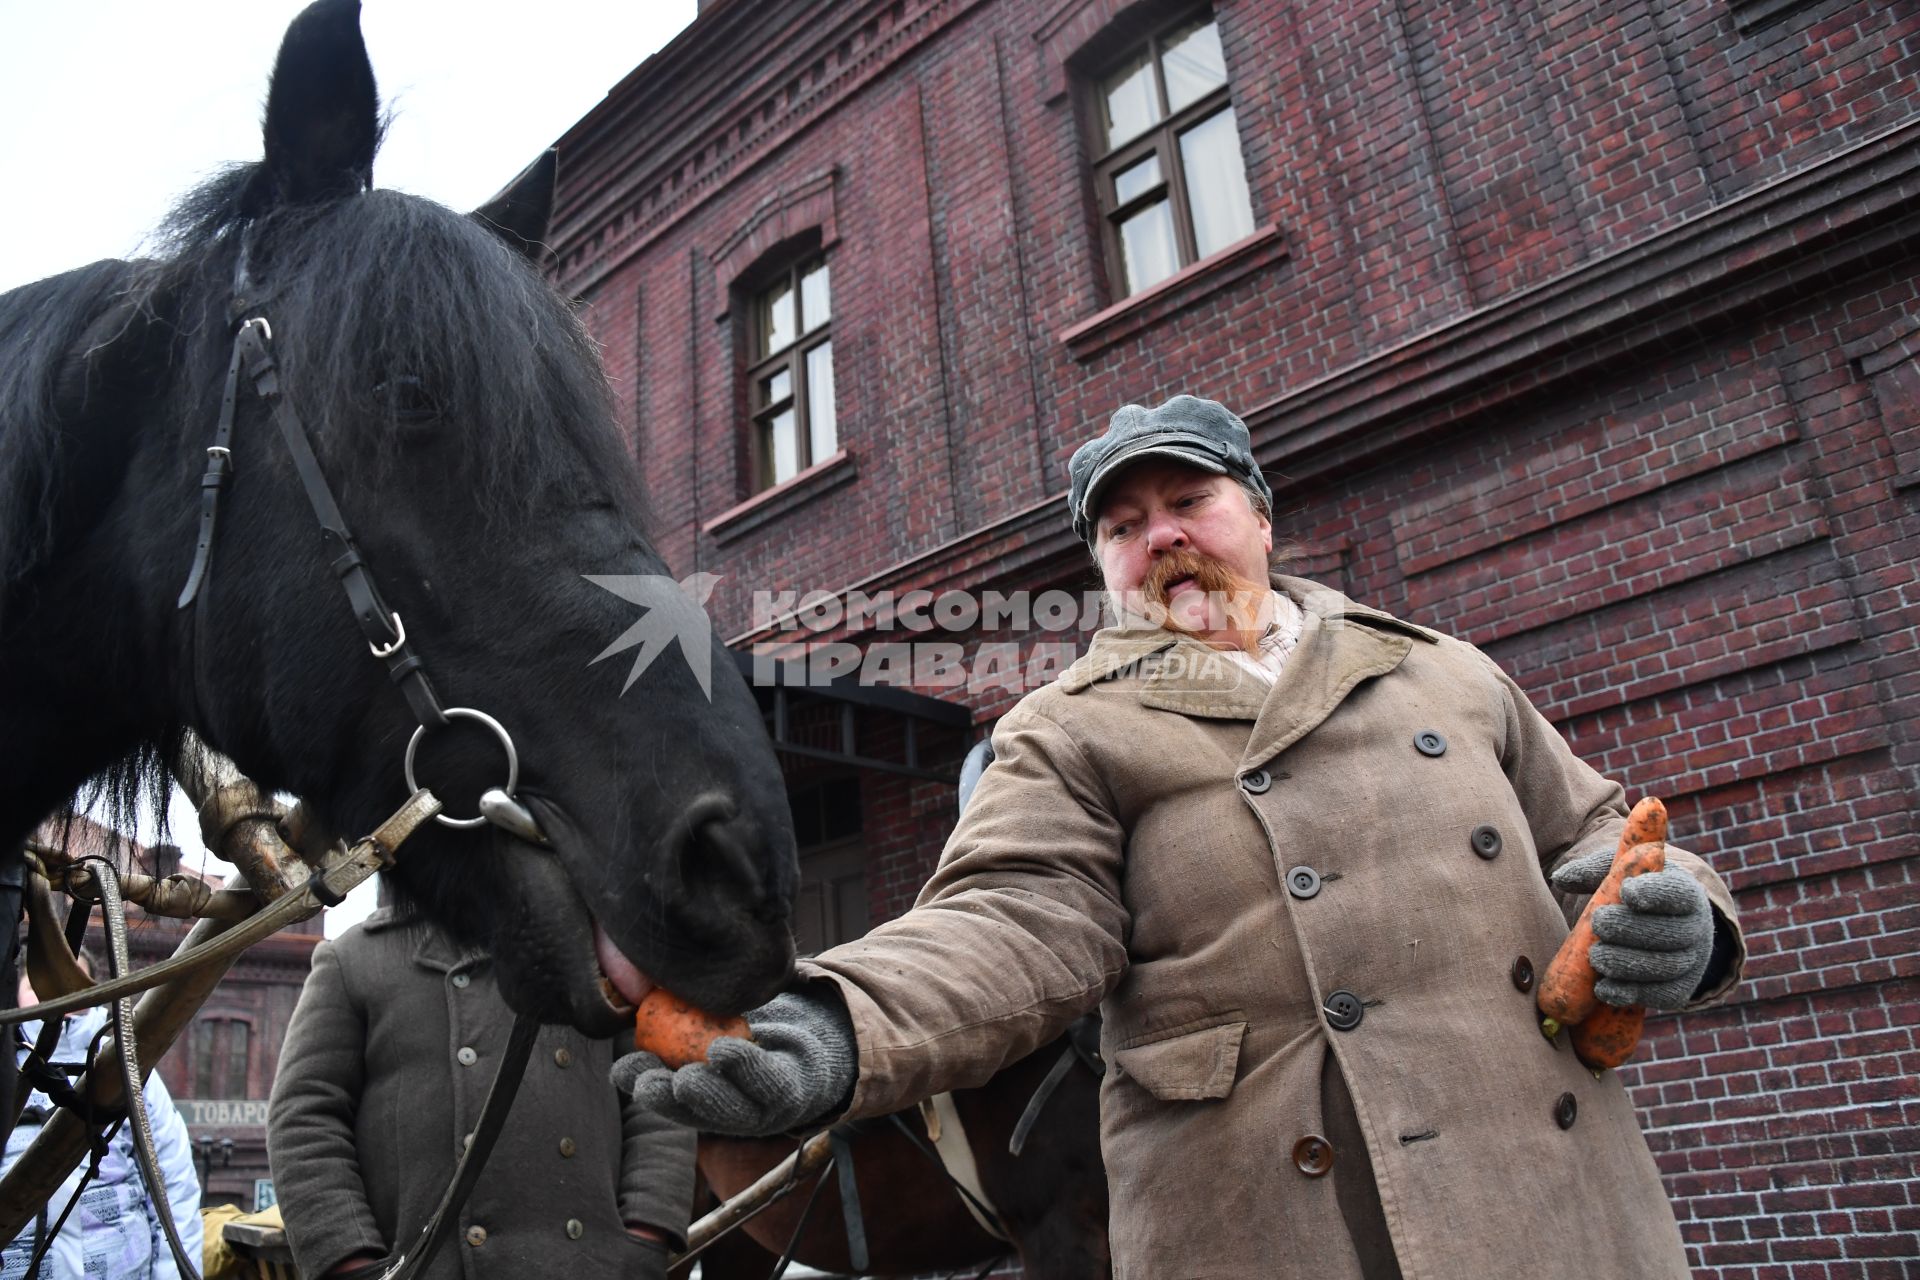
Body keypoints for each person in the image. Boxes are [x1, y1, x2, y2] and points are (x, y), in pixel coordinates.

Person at [617, 395, 1748, 1280]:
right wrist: (830, 1026)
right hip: (1271, 1223)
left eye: (1186, 500)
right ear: (1102, 571)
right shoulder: (1065, 727)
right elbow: (1009, 918)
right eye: (1119, 526)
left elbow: (1602, 829)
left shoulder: (1443, 668)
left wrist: (1680, 914)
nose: (1158, 535)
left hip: (1557, 1197)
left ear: (1258, 514)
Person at [269, 902, 695, 1280]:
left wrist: (644, 1239)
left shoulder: (599, 956)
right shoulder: (356, 959)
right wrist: (351, 1262)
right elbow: (305, 1117)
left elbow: (655, 1098)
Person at [1, 952, 202, 1280]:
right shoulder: (6, 1069)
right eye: (41, 984)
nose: (60, 993)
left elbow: (173, 1182)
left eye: (73, 982)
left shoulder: (127, 1066)